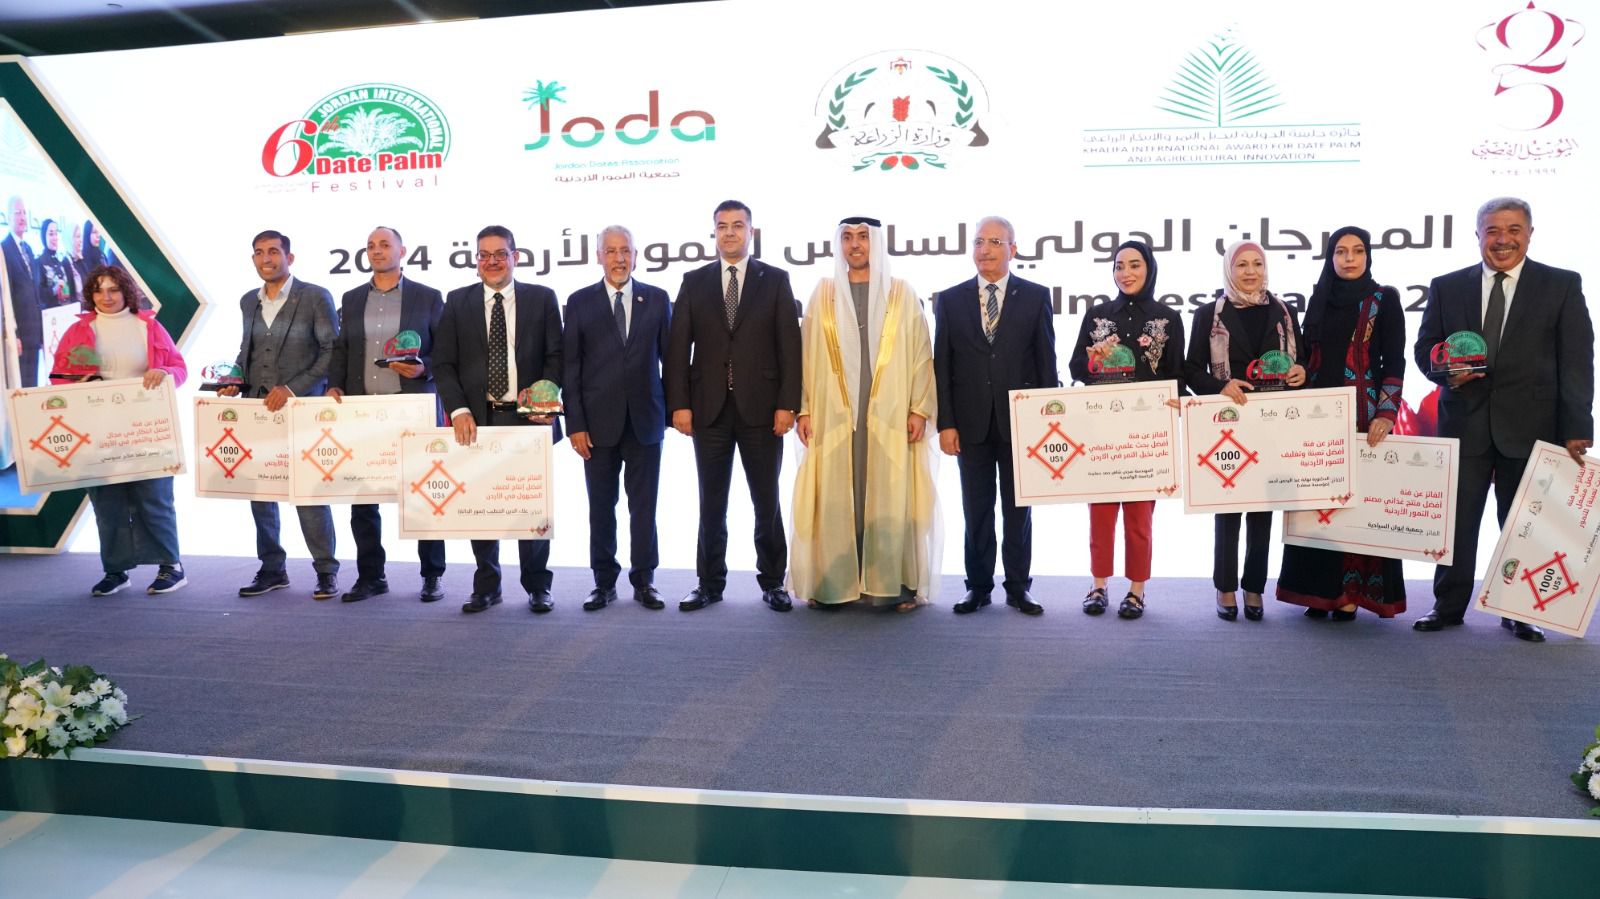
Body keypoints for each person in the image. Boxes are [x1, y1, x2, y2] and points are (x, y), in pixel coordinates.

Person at [1412, 197, 1593, 643]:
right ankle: (1447, 605)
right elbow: (1426, 348)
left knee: (1523, 522)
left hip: (1532, 425)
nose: (1502, 239)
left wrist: (1576, 427)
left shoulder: (1561, 284)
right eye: (1492, 230)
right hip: (1464, 423)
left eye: (1513, 229)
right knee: (1456, 521)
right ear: (1478, 236)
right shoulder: (1446, 286)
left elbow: (1576, 360)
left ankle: (1519, 610)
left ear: (1529, 234)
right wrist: (1445, 371)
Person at [790, 216, 939, 611]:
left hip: (889, 416)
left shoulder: (901, 293)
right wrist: (804, 409)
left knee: (889, 495)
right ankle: (832, 583)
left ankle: (893, 585)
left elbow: (921, 354)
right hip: (834, 417)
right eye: (847, 237)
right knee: (836, 497)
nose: (855, 244)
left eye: (862, 237)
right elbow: (805, 357)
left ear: (876, 242)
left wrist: (919, 408)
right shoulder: (822, 293)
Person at [664, 200, 802, 613]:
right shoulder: (693, 281)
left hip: (763, 411)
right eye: (722, 226)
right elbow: (677, 349)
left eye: (737, 225)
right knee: (711, 502)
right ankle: (709, 583)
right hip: (708, 411)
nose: (729, 232)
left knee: (766, 501)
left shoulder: (774, 280)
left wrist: (788, 405)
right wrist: (679, 405)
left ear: (750, 232)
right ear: (714, 233)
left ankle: (773, 581)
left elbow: (790, 348)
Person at [1276, 227, 1407, 622]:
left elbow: (1394, 360)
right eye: (1341, 251)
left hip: (1363, 418)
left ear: (1368, 256)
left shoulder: (1384, 299)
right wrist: (1299, 372)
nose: (1349, 259)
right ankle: (1319, 592)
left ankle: (1350, 593)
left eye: (1358, 251)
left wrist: (1386, 412)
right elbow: (1308, 356)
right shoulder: (1320, 299)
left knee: (1356, 504)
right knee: (1318, 500)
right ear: (1330, 257)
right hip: (1318, 415)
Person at [433, 225, 564, 615]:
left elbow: (556, 356)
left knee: (531, 505)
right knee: (481, 506)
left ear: (515, 257)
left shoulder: (542, 298)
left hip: (530, 420)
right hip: (479, 419)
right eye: (484, 255)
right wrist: (459, 410)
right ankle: (487, 585)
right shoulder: (457, 301)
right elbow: (444, 363)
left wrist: (546, 398)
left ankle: (538, 586)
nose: (492, 261)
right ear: (476, 261)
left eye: (500, 254)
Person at [933, 215, 1058, 616]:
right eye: (978, 242)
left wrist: (1047, 426)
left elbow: (1046, 364)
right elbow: (942, 367)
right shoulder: (949, 299)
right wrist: (946, 423)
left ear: (1012, 250)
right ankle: (978, 586)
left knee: (1018, 510)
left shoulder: (1035, 296)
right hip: (969, 424)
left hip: (1021, 424)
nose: (984, 249)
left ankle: (1019, 587)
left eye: (994, 242)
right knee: (976, 509)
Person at [1184, 240, 1307, 621]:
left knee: (1262, 507)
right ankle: (1225, 586)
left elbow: (1302, 362)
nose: (1250, 271)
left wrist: (1302, 373)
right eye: (1242, 265)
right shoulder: (1208, 314)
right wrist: (1220, 386)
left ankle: (1254, 586)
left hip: (1272, 423)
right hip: (1228, 422)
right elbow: (1191, 369)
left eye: (1257, 263)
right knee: (1227, 507)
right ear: (1229, 269)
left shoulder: (1284, 311)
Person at [326, 226, 447, 604]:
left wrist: (424, 369)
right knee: (363, 500)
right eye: (371, 246)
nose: (377, 251)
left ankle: (432, 576)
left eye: (384, 245)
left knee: (423, 495)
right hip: (362, 410)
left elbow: (446, 353)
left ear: (402, 251)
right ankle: (371, 576)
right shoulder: (351, 297)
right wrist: (334, 385)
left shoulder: (428, 297)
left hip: (411, 409)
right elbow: (342, 350)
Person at [219, 230, 341, 600]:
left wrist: (292, 388)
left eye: (273, 251)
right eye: (259, 252)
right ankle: (272, 568)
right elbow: (248, 350)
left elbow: (331, 352)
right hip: (256, 410)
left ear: (290, 257)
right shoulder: (248, 301)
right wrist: (234, 380)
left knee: (308, 492)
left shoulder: (315, 296)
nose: (266, 259)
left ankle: (326, 571)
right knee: (260, 493)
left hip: (301, 410)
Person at [51, 265, 187, 596]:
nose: (106, 297)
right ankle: (116, 571)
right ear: (90, 295)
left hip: (146, 428)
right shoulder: (77, 331)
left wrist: (164, 372)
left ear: (126, 291)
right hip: (96, 430)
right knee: (106, 502)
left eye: (113, 289)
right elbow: (58, 377)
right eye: (99, 290)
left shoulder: (149, 326)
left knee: (155, 497)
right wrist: (78, 384)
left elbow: (179, 368)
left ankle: (171, 566)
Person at [1067, 240, 1184, 620]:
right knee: (1100, 514)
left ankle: (1136, 590)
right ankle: (1098, 585)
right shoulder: (1097, 315)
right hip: (1102, 430)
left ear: (1149, 268)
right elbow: (1076, 369)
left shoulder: (1168, 317)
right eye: (1119, 266)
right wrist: (1092, 358)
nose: (1126, 273)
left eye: (1135, 265)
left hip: (1147, 433)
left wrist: (1175, 403)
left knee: (1139, 517)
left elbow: (1176, 376)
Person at [562, 225, 671, 612]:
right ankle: (603, 583)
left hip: (646, 422)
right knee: (601, 508)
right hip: (596, 426)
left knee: (644, 508)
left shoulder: (657, 299)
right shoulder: (579, 302)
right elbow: (571, 368)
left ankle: (645, 580)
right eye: (611, 251)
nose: (619, 258)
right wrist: (575, 424)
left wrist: (671, 413)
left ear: (636, 256)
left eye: (625, 250)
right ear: (599, 257)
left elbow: (672, 361)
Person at [3, 195, 43, 387]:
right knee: (20, 387)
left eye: (25, 213)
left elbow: (35, 292)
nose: (22, 217)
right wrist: (14, 334)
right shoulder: (4, 249)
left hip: (34, 330)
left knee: (33, 383)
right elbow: (6, 296)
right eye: (17, 212)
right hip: (18, 334)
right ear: (8, 217)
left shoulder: (29, 248)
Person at [37, 219, 81, 309]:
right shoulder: (39, 262)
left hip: (66, 311)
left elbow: (69, 291)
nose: (55, 238)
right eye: (51, 234)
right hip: (51, 314)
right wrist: (54, 289)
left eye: (56, 233)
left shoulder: (59, 262)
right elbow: (39, 295)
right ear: (44, 237)